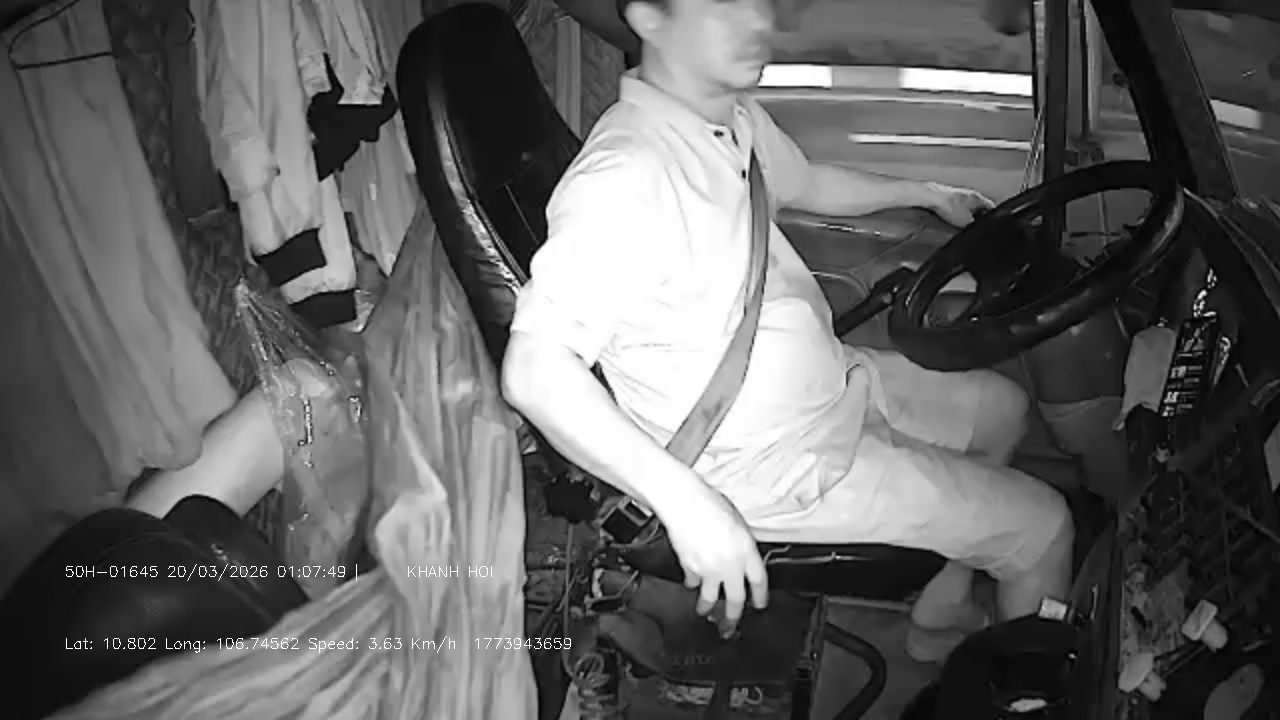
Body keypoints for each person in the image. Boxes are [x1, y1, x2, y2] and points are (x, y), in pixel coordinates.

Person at [501, 0, 1074, 662]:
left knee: (1004, 410)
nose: (757, 22)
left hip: (832, 385)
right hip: (767, 465)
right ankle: (1027, 690)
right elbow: (535, 368)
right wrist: (687, 504)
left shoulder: (729, 120)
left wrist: (927, 192)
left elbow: (812, 185)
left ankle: (944, 601)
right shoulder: (627, 174)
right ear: (650, 17)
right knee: (1045, 529)